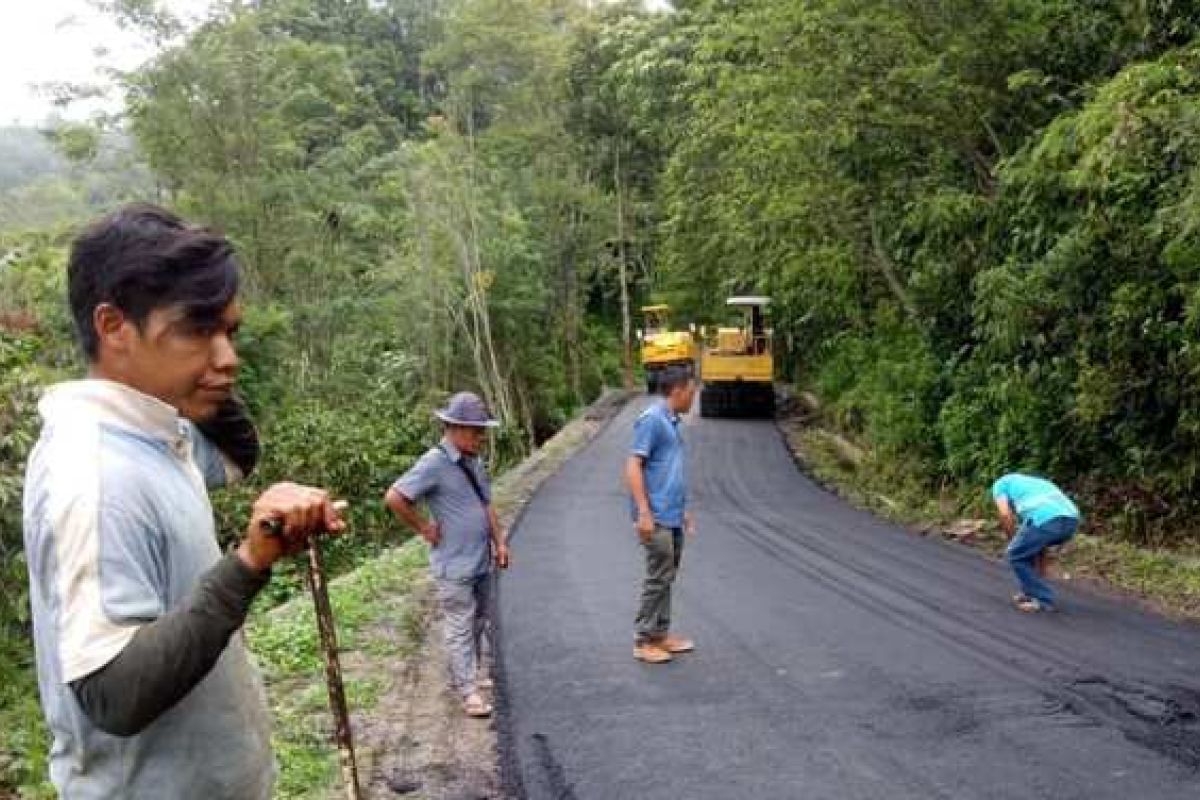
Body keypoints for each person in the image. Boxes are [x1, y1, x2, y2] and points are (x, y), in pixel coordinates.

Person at [21, 204, 345, 798]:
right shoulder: (92, 475)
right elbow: (112, 694)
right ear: (113, 326)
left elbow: (239, 454)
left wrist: (199, 372)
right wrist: (248, 563)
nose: (229, 358)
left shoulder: (155, 437)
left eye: (230, 332)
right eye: (197, 329)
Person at [384, 392, 510, 718]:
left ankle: (471, 675)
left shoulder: (475, 462)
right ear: (452, 428)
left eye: (482, 430)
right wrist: (424, 527)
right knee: (459, 623)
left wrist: (501, 543)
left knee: (479, 620)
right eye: (474, 430)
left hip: (480, 558)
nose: (480, 437)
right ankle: (468, 691)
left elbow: (486, 505)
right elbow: (396, 497)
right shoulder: (433, 463)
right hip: (453, 564)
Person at [626, 365, 697, 664]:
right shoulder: (652, 420)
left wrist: (684, 511)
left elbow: (669, 472)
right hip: (654, 517)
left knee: (667, 575)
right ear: (677, 390)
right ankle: (643, 640)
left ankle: (660, 634)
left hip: (671, 514)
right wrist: (643, 512)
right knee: (658, 576)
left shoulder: (672, 422)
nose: (694, 398)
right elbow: (633, 466)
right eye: (691, 392)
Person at [992, 472, 1080, 613]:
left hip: (1047, 519)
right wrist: (1041, 574)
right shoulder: (1036, 485)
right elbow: (1039, 547)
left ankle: (1043, 599)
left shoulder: (1001, 484)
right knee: (1030, 549)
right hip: (1071, 521)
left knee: (1015, 555)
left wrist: (1012, 541)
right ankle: (1030, 592)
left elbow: (1005, 514)